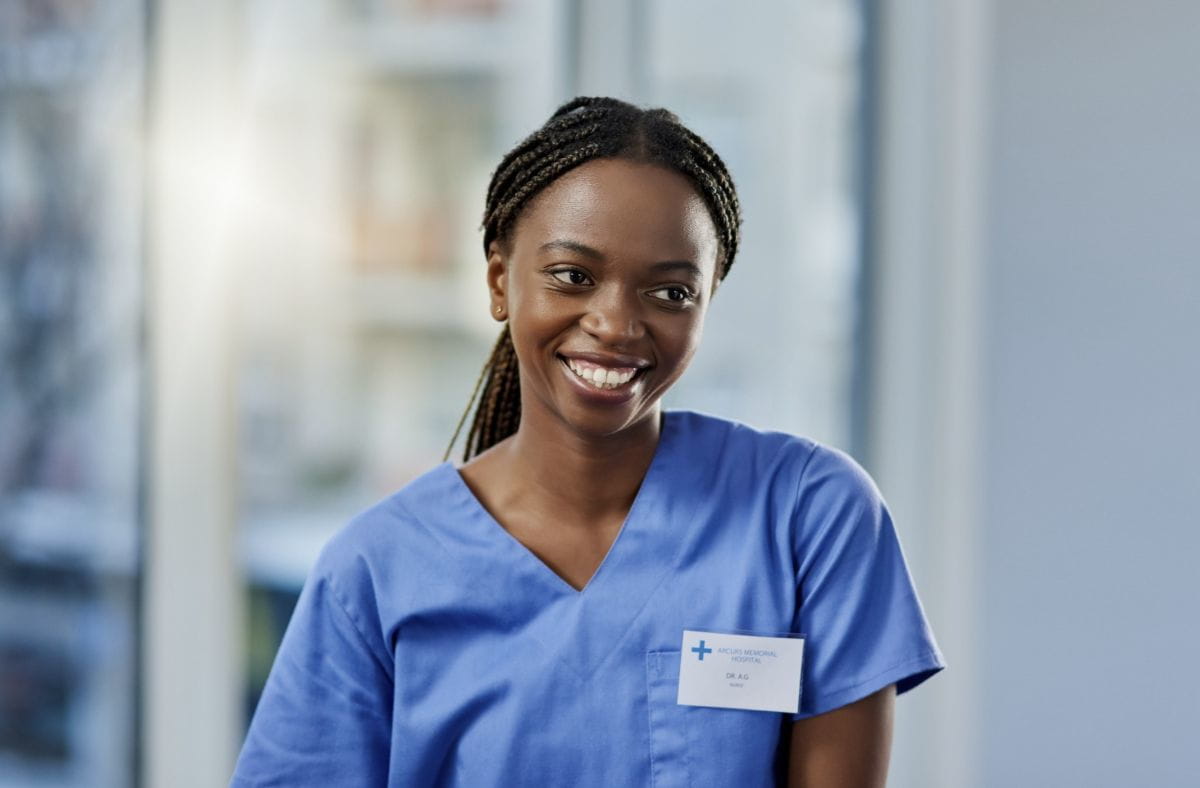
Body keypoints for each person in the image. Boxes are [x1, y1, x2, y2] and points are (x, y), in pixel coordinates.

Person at [231, 96, 944, 787]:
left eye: (670, 293)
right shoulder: (377, 573)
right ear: (500, 282)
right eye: (573, 277)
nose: (616, 323)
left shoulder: (808, 516)